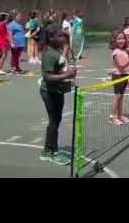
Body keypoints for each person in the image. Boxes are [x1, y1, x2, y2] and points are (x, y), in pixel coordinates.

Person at [39, 24, 76, 165]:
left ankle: (52, 148)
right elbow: (47, 77)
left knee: (57, 120)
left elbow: (59, 66)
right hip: (49, 92)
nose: (63, 38)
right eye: (59, 36)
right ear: (51, 38)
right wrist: (67, 74)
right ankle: (48, 151)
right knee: (54, 121)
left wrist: (68, 75)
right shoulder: (49, 54)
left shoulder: (56, 50)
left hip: (58, 90)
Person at [109, 29, 129, 126]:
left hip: (125, 76)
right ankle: (112, 117)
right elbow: (121, 65)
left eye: (123, 38)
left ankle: (120, 115)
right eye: (119, 39)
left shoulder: (123, 50)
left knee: (121, 97)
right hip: (118, 76)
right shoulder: (116, 52)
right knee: (117, 97)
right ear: (114, 41)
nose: (122, 41)